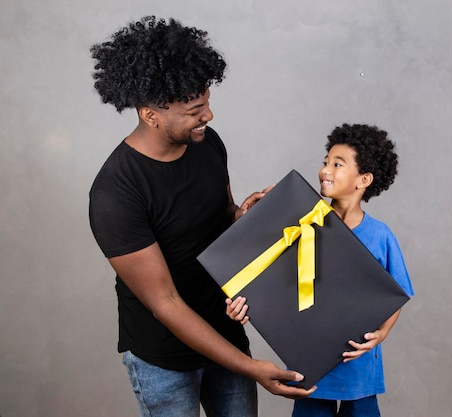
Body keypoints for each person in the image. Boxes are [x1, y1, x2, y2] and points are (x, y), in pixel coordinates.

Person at [88, 16, 314, 417]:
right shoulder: (115, 194)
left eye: (207, 103)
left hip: (226, 328)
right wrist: (251, 368)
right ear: (150, 115)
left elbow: (221, 217)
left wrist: (245, 214)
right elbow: (166, 302)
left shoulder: (207, 144)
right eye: (195, 110)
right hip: (164, 358)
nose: (208, 117)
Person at [227, 123, 415, 416]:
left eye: (337, 164)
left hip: (359, 370)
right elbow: (268, 278)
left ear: (363, 179)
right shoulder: (299, 223)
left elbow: (395, 294)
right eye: (325, 162)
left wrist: (383, 333)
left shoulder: (380, 236)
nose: (325, 170)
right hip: (310, 368)